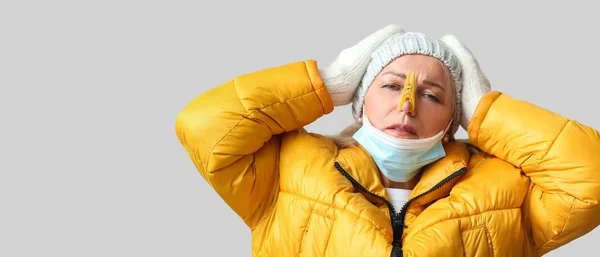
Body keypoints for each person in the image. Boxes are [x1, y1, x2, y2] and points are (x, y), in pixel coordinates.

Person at [175, 24, 600, 257]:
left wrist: (484, 110)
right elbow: (204, 125)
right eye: (392, 86)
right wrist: (329, 82)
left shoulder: (509, 191)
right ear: (360, 103)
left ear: (454, 118)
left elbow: (592, 178)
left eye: (432, 95)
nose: (408, 106)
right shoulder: (285, 170)